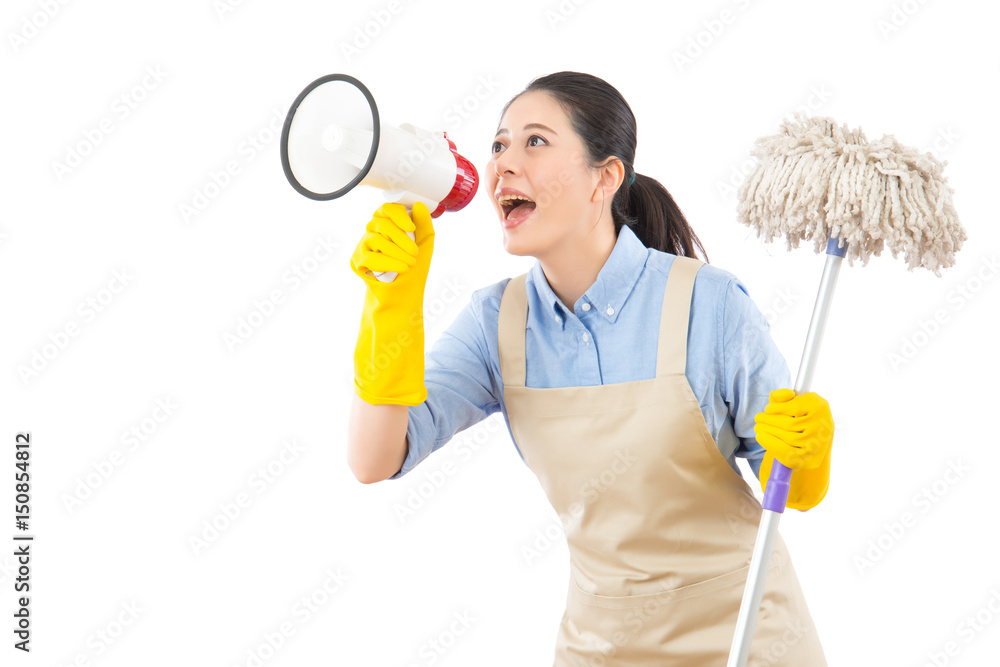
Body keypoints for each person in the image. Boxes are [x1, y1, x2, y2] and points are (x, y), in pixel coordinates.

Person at [347, 71, 833, 664]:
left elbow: (792, 491)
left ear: (605, 177)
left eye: (535, 141)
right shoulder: (496, 322)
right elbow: (374, 459)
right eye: (499, 144)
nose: (503, 164)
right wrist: (390, 307)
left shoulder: (708, 303)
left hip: (746, 637)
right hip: (602, 646)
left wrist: (808, 458)